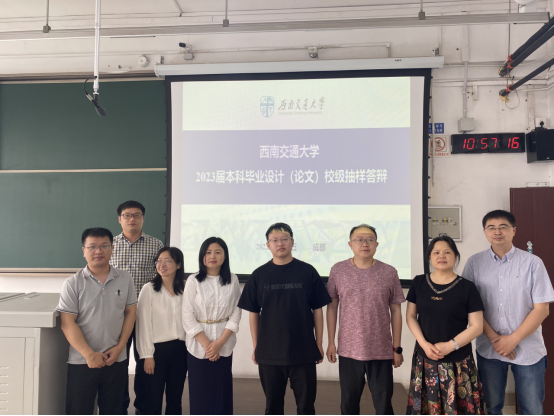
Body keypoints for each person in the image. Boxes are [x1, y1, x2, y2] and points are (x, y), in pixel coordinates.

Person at [463, 210, 554, 415]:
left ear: (514, 231)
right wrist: (496, 340)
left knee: (532, 408)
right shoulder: (474, 263)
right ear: (485, 232)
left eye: (503, 227)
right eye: (491, 228)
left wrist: (512, 340)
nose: (497, 232)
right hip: (489, 348)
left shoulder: (533, 263)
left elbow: (542, 309)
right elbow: (470, 307)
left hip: (528, 348)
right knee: (491, 407)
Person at [238, 223, 332, 415]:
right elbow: (253, 313)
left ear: (292, 242)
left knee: (306, 407)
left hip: (303, 350)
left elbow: (317, 309)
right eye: (274, 240)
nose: (280, 243)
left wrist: (319, 343)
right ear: (268, 245)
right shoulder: (259, 275)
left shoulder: (307, 271)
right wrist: (256, 346)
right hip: (269, 352)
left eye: (284, 239)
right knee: (273, 407)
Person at [56, 228, 137, 415]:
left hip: (115, 358)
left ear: (112, 249)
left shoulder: (125, 278)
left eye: (104, 246)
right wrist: (89, 354)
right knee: (79, 409)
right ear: (84, 251)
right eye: (92, 247)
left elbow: (130, 313)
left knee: (114, 409)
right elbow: (67, 323)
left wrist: (120, 347)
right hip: (82, 360)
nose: (98, 251)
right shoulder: (73, 283)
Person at [326, 224, 405, 415]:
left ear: (376, 244)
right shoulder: (338, 270)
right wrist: (331, 343)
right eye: (359, 240)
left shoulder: (389, 272)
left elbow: (396, 311)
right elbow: (332, 307)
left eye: (370, 240)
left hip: (381, 351)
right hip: (348, 350)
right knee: (348, 404)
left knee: (383, 404)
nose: (364, 244)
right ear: (350, 244)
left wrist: (397, 348)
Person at [406, 236, 487, 415]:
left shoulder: (467, 287)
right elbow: (411, 316)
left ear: (456, 256)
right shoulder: (419, 282)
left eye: (447, 252)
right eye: (436, 252)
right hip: (425, 357)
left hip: (459, 361)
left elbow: (477, 326)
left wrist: (451, 345)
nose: (441, 256)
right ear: (429, 257)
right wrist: (424, 344)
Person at [110, 200, 164, 414]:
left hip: (145, 314)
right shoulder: (110, 245)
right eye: (127, 215)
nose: (132, 219)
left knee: (145, 361)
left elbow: (162, 277)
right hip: (117, 314)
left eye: (137, 215)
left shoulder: (156, 245)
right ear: (119, 219)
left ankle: (143, 407)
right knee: (118, 362)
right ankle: (120, 405)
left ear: (143, 218)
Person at [182, 237, 242, 415]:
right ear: (202, 256)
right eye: (208, 252)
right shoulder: (193, 280)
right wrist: (209, 346)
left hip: (225, 342)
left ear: (225, 256)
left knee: (221, 391)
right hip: (198, 344)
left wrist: (219, 343)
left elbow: (236, 311)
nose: (212, 256)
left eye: (217, 252)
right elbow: (187, 315)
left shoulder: (232, 279)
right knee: (200, 392)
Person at [135, 247, 188, 415]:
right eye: (159, 261)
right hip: (156, 351)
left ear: (178, 264)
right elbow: (143, 325)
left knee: (175, 397)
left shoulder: (186, 289)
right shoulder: (149, 289)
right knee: (153, 397)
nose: (162, 265)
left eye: (167, 261)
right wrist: (147, 355)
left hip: (181, 350)